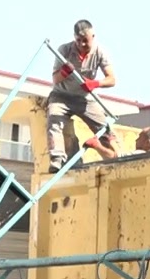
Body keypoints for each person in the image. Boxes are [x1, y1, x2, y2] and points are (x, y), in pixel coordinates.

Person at [46, 19, 118, 172]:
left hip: (84, 98)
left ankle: (116, 156)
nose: (82, 45)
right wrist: (64, 72)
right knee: (54, 119)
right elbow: (55, 79)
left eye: (85, 41)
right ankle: (57, 159)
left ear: (93, 37)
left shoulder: (100, 52)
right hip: (62, 96)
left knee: (105, 128)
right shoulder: (64, 50)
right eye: (78, 41)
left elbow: (112, 79)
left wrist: (95, 83)